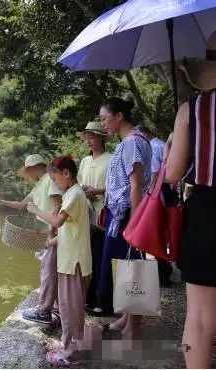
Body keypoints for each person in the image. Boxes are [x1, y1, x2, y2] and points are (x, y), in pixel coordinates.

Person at [165, 30, 216, 369]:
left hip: (207, 215)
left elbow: (172, 175)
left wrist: (171, 145)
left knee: (198, 318)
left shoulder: (192, 110)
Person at [27, 155, 92, 366]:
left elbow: (57, 221)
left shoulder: (74, 195)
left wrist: (35, 209)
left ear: (66, 174)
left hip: (74, 262)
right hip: (71, 260)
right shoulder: (73, 194)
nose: (54, 183)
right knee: (68, 306)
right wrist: (51, 242)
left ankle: (69, 353)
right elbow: (71, 229)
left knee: (70, 308)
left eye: (55, 179)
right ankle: (69, 345)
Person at [98, 97, 151, 340]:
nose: (102, 124)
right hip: (123, 213)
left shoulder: (131, 142)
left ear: (119, 116)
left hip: (128, 214)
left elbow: (136, 184)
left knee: (132, 269)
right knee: (127, 267)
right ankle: (127, 319)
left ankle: (133, 329)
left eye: (104, 118)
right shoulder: (135, 140)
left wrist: (135, 223)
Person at [0, 154, 62, 325]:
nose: (28, 176)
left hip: (52, 231)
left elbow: (60, 204)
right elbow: (22, 205)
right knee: (49, 269)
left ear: (33, 168)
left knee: (49, 271)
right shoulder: (39, 185)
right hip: (46, 233)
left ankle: (44, 311)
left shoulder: (50, 180)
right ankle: (54, 307)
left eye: (28, 172)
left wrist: (54, 229)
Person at [76, 121, 112, 315]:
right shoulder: (84, 161)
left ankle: (104, 302)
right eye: (87, 137)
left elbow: (116, 188)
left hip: (102, 216)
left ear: (102, 138)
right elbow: (79, 184)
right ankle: (88, 299)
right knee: (87, 258)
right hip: (85, 214)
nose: (89, 141)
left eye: (92, 136)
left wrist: (97, 191)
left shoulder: (111, 159)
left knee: (101, 258)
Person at [136, 124, 174, 288]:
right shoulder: (159, 144)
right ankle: (163, 273)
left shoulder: (153, 146)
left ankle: (162, 274)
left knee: (155, 233)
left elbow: (153, 174)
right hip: (161, 190)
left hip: (156, 192)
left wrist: (148, 198)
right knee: (160, 233)